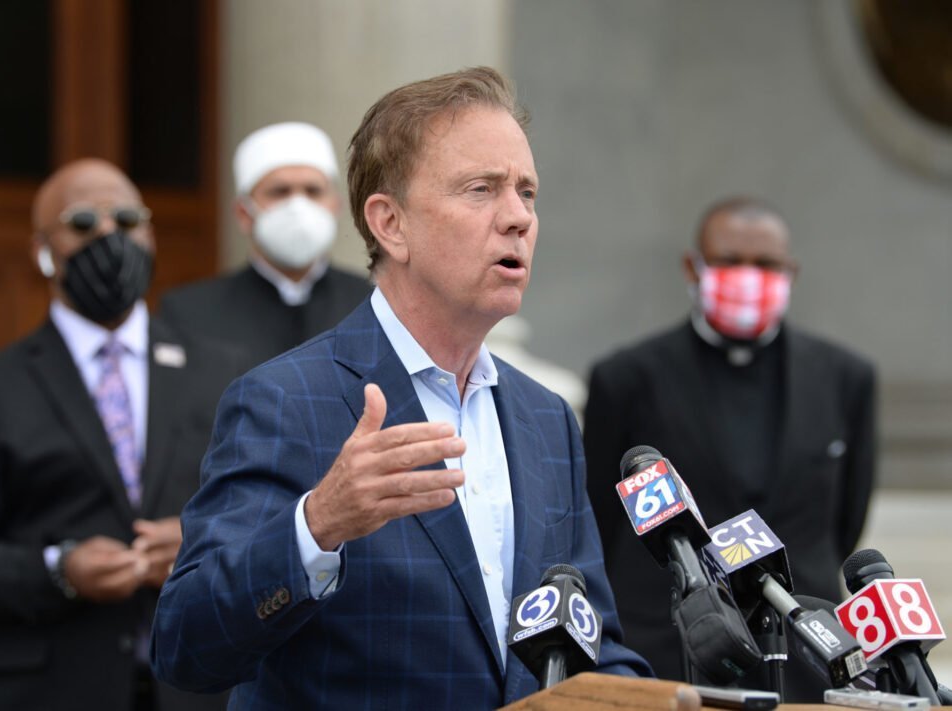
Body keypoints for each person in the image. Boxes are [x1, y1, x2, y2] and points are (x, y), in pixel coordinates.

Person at [150, 67, 652, 708]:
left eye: (527, 192)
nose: (519, 218)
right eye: (481, 189)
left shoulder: (546, 417)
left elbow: (591, 643)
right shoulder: (284, 400)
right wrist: (318, 525)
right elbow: (185, 645)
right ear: (390, 224)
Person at [0, 159, 244, 711]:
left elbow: (270, 514)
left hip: (200, 685)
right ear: (43, 249)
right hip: (48, 688)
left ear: (150, 236)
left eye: (128, 220)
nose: (109, 237)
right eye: (83, 222)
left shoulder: (221, 371)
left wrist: (200, 541)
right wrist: (58, 569)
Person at [583, 197, 876, 700]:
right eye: (729, 261)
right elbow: (601, 522)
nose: (747, 276)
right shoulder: (626, 379)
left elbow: (847, 517)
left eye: (765, 264)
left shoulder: (845, 379)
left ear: (790, 273)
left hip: (801, 657)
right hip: (668, 653)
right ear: (692, 267)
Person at [157, 121, 371, 368]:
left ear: (336, 206)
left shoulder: (371, 304)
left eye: (313, 191)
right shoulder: (191, 313)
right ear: (243, 213)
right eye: (280, 192)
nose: (298, 206)